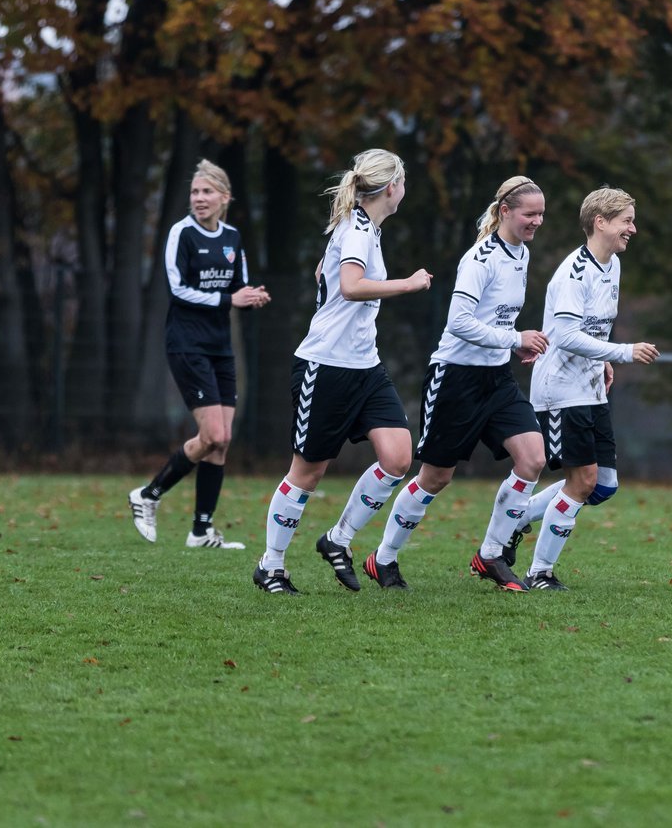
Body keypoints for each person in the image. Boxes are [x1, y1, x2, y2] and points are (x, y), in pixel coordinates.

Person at [252, 149, 432, 594]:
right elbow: (350, 286)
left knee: (397, 457)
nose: (404, 190)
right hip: (325, 365)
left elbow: (325, 273)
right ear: (391, 188)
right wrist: (406, 284)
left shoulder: (362, 229)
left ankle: (338, 539)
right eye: (403, 182)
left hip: (364, 366)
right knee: (308, 472)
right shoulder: (356, 229)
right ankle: (271, 566)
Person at [370, 177, 550, 592]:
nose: (537, 221)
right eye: (530, 214)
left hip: (497, 378)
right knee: (436, 477)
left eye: (541, 214)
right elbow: (460, 323)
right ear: (505, 211)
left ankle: (490, 554)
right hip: (455, 378)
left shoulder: (522, 253)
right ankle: (384, 559)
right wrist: (513, 339)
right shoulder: (480, 258)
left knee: (533, 459)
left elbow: (496, 319)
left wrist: (514, 345)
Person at [510, 187, 660, 591]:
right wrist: (623, 351)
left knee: (604, 485)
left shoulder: (611, 265)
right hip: (561, 390)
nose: (633, 228)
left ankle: (516, 519)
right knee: (583, 481)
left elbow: (593, 329)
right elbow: (566, 335)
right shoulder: (575, 271)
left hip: (590, 387)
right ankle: (539, 573)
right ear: (601, 222)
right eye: (626, 220)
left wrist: (604, 359)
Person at [127, 159, 271, 550]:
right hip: (187, 344)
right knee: (214, 434)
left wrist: (251, 296)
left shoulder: (233, 238)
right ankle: (149, 495)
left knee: (222, 443)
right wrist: (229, 298)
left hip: (221, 347)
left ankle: (201, 530)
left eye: (207, 192)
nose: (199, 199)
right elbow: (178, 289)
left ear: (225, 197)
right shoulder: (181, 233)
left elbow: (238, 286)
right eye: (195, 192)